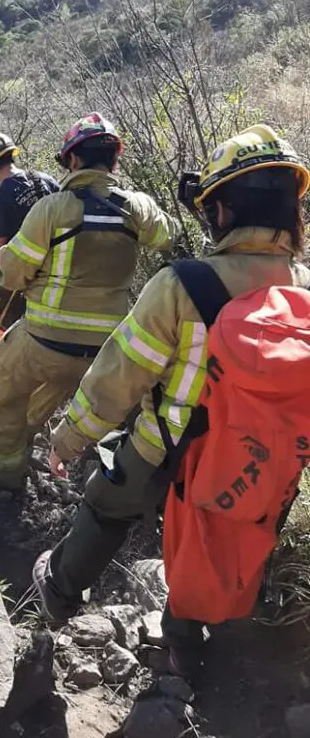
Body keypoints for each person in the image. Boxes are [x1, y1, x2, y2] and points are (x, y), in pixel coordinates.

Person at [32, 124, 310, 673]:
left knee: (106, 505)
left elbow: (119, 377)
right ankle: (185, 638)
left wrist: (70, 438)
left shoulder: (183, 283)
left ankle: (59, 594)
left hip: (164, 450)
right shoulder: (303, 288)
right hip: (257, 461)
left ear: (222, 211)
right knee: (220, 541)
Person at [0, 113, 181, 490]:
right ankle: (37, 437)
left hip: (45, 339)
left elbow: (12, 273)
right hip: (109, 350)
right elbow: (167, 235)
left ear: (71, 160)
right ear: (115, 161)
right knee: (59, 380)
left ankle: (3, 470)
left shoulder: (53, 209)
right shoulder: (137, 207)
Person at [0, 131, 59, 325]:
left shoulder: (1, 198)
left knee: (6, 328)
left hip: (21, 281)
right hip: (59, 274)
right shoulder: (46, 180)